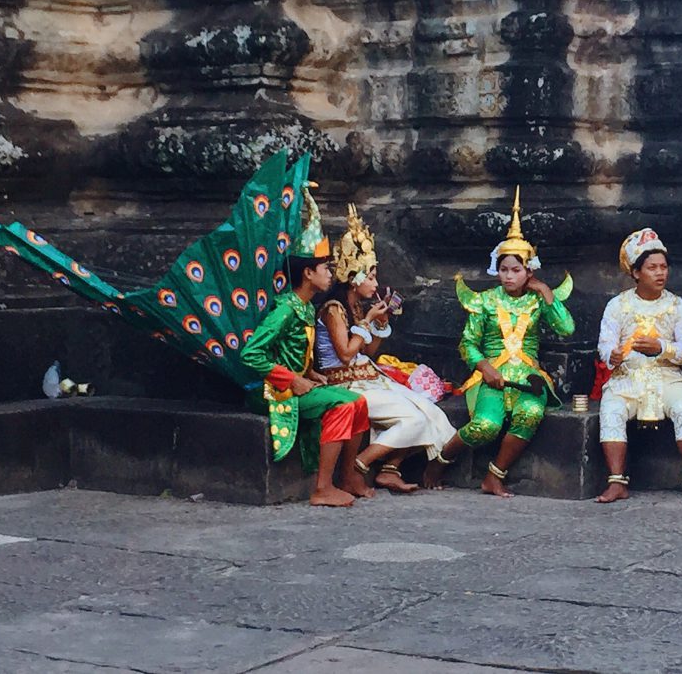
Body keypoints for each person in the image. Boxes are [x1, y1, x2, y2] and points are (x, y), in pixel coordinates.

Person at [423, 187, 575, 498]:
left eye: (516, 270)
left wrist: (546, 292)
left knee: (531, 414)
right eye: (504, 270)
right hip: (490, 375)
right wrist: (484, 367)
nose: (508, 276)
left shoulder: (537, 300)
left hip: (529, 378)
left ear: (528, 271)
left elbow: (567, 328)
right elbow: (468, 343)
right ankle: (439, 461)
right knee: (486, 425)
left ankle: (495, 475)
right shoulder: (485, 302)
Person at [242, 190, 374, 508]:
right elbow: (251, 353)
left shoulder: (304, 307)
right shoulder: (286, 309)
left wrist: (311, 372)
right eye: (325, 268)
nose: (331, 274)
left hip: (298, 383)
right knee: (343, 405)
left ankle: (347, 477)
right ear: (308, 273)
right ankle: (322, 487)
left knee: (359, 403)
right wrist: (294, 380)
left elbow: (295, 351)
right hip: (274, 391)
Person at [315, 205, 458, 493]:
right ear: (354, 277)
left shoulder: (356, 306)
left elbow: (367, 353)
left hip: (368, 376)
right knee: (415, 419)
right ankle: (359, 465)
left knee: (432, 413)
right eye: (370, 277)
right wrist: (367, 322)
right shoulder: (333, 309)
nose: (375, 283)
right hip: (347, 384)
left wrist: (380, 323)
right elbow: (345, 354)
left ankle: (390, 469)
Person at [594, 229, 682, 503]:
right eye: (652, 268)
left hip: (668, 376)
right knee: (611, 410)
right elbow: (604, 344)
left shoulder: (678, 306)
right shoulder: (617, 305)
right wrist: (613, 356)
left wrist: (661, 348)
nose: (660, 273)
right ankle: (617, 481)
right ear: (636, 273)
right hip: (627, 377)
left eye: (664, 267)